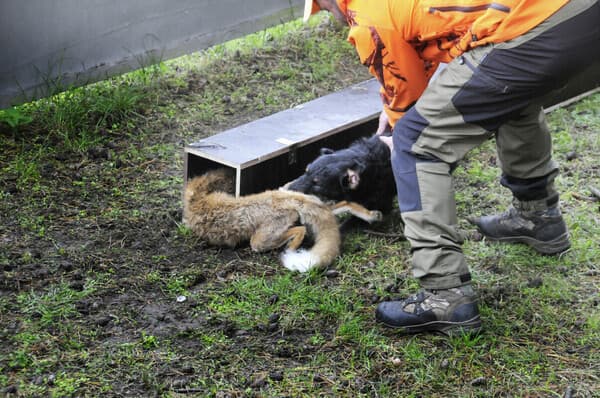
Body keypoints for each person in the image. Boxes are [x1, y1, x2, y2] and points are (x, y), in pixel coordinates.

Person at [303, 0, 600, 334]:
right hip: (575, 14)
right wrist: (398, 102)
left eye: (325, 9)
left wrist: (401, 125)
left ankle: (445, 294)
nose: (333, 17)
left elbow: (410, 110)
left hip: (539, 23)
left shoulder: (368, 17)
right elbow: (426, 38)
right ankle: (538, 217)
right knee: (507, 91)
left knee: (416, 143)